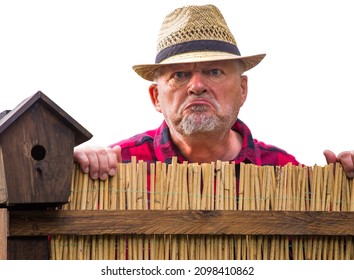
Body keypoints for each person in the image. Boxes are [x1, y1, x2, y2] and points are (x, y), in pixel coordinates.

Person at [74, 4, 354, 181]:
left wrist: (345, 186)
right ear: (156, 98)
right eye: (180, 75)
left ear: (243, 89)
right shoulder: (113, 167)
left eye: (214, 71)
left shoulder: (286, 172)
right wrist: (67, 172)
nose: (197, 86)